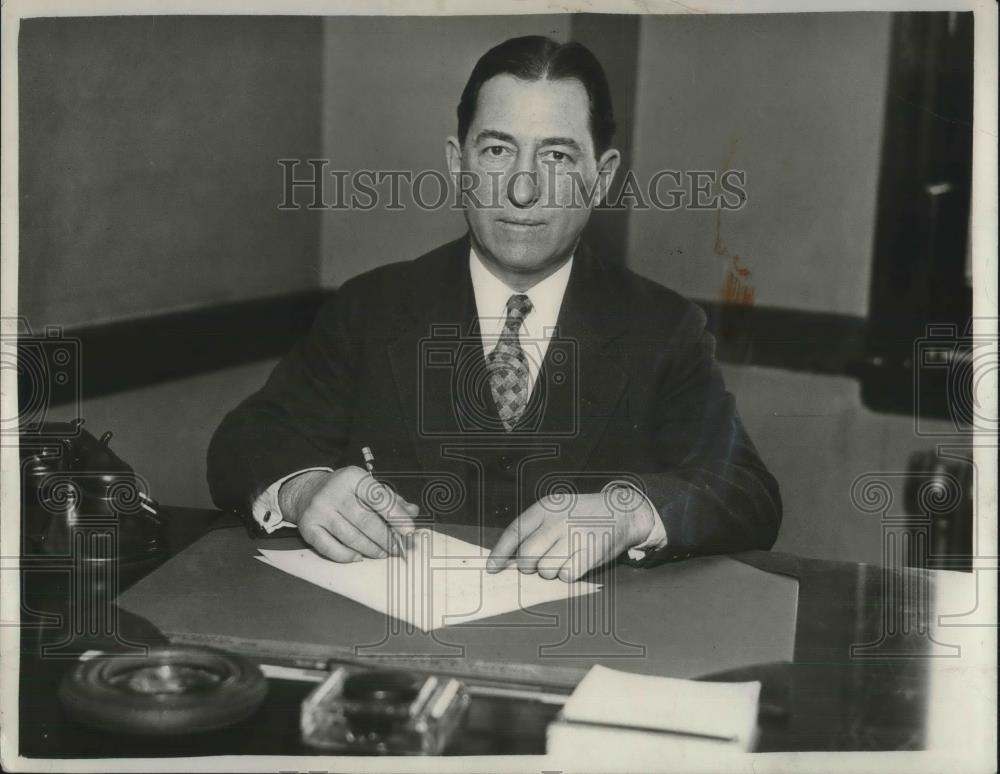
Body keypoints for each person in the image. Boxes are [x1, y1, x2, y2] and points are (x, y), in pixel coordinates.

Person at [207, 35, 781, 582]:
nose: (522, 189)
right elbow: (247, 439)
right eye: (498, 150)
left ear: (601, 177)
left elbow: (747, 490)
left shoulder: (663, 327)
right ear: (458, 164)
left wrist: (627, 510)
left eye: (556, 155)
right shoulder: (372, 308)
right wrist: (305, 488)